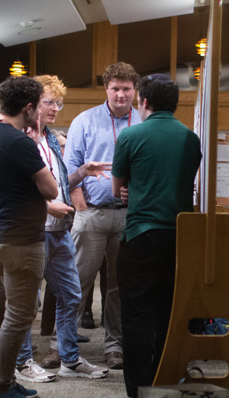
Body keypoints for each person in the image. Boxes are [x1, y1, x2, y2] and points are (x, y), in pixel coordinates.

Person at [111, 73, 202, 398]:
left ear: (144, 101)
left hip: (141, 235)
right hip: (181, 236)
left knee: (136, 318)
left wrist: (133, 189)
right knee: (168, 316)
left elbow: (118, 188)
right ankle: (165, 387)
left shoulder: (131, 135)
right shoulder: (190, 138)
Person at [0, 76, 61, 398]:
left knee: (15, 313)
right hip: (21, 241)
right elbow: (51, 189)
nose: (41, 112)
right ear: (28, 108)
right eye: (40, 106)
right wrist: (36, 147)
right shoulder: (19, 142)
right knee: (19, 317)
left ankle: (7, 382)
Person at [30, 74, 110, 380]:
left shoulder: (50, 138)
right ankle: (22, 363)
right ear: (32, 103)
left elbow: (61, 184)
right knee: (27, 304)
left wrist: (83, 171)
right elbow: (16, 188)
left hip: (59, 230)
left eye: (58, 103)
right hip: (34, 231)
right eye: (49, 102)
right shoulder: (22, 139)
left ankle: (70, 359)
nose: (55, 108)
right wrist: (46, 206)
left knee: (71, 295)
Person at [64, 62, 142, 371]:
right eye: (115, 88)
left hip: (129, 217)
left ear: (135, 90)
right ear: (106, 89)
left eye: (127, 88)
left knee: (118, 286)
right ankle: (63, 344)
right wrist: (81, 207)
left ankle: (114, 346)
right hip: (92, 213)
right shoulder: (85, 121)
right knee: (77, 282)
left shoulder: (143, 121)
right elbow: (70, 169)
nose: (121, 94)